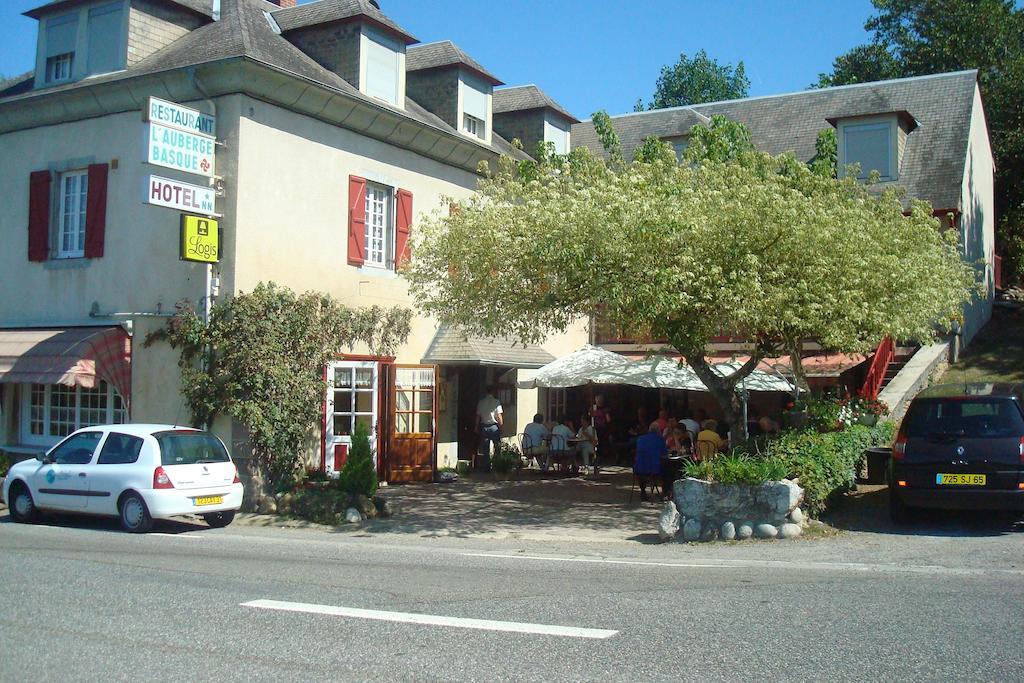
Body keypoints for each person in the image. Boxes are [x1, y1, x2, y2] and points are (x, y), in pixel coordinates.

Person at [634, 423, 667, 502]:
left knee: (641, 469)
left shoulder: (640, 439)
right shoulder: (661, 439)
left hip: (639, 468)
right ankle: (665, 492)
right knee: (667, 470)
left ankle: (643, 491)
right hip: (655, 469)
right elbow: (664, 454)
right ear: (658, 431)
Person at [475, 384, 503, 472]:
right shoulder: (496, 402)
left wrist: (476, 427)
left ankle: (487, 467)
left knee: (485, 448)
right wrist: (501, 426)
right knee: (497, 447)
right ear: (493, 392)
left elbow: (478, 416)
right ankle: (497, 465)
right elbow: (499, 415)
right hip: (494, 426)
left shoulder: (481, 402)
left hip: (484, 426)